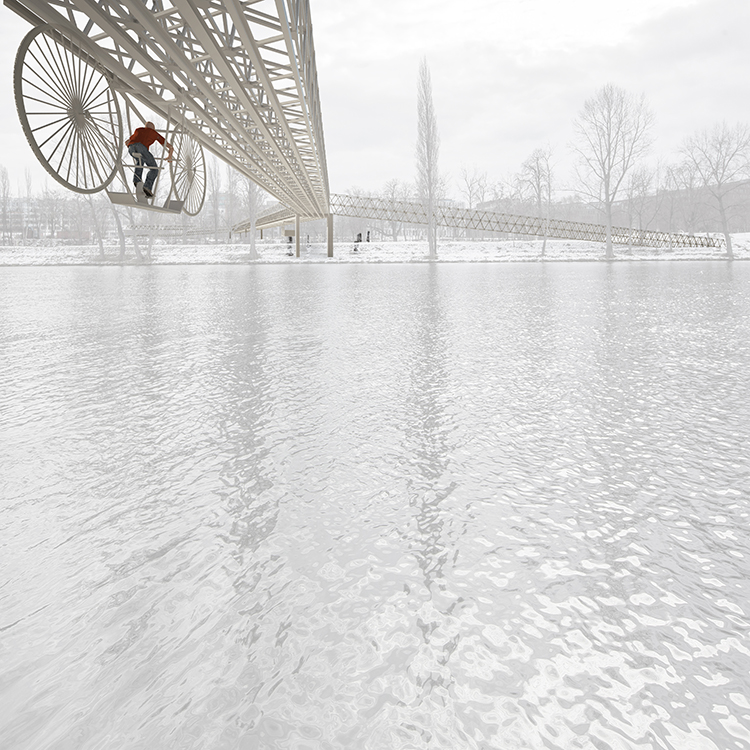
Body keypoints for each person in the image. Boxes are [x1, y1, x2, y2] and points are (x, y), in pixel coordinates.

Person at [125, 122, 173, 198]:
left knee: (140, 161)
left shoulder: (138, 130)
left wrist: (134, 147)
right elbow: (170, 146)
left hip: (131, 148)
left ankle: (137, 181)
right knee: (154, 169)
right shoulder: (153, 133)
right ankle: (147, 187)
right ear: (153, 128)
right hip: (142, 148)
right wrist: (170, 156)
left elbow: (127, 142)